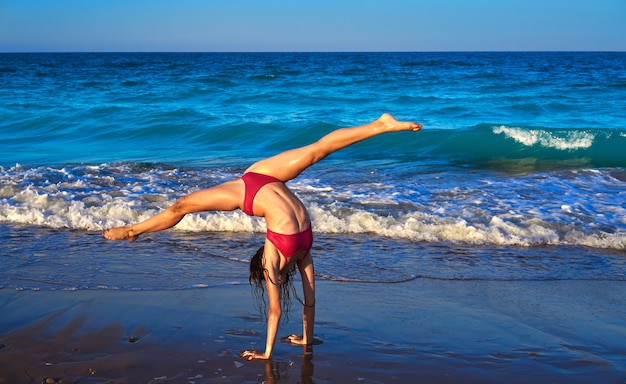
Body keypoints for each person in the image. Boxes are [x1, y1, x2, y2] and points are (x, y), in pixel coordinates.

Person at [102, 113, 422, 360]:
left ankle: (134, 229)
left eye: (273, 281)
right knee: (315, 151)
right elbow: (310, 301)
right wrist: (306, 339)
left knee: (184, 205)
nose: (278, 283)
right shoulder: (300, 255)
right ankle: (380, 125)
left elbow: (275, 311)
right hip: (266, 178)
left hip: (249, 191)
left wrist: (266, 353)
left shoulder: (272, 260)